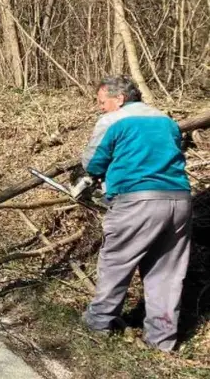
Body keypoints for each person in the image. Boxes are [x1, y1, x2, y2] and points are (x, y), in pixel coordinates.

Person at [81, 75, 191, 352]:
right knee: (167, 272)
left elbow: (93, 163)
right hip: (179, 200)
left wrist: (97, 175)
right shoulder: (167, 121)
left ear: (118, 99)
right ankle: (161, 340)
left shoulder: (113, 120)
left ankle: (99, 322)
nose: (100, 108)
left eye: (102, 102)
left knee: (116, 261)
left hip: (137, 201)